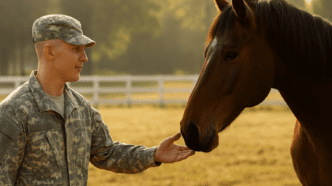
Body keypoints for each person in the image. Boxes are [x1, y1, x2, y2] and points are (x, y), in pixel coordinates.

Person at [0, 14, 195, 186]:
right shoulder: (13, 113)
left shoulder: (81, 108)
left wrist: (153, 155)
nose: (84, 58)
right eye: (76, 49)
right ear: (49, 51)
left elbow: (107, 153)